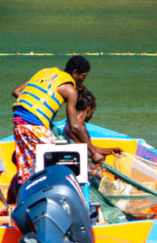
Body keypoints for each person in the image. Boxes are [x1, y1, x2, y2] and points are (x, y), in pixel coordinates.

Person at [11, 55, 104, 184]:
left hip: (18, 122)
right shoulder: (70, 91)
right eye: (84, 75)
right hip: (34, 124)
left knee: (27, 166)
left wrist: (35, 104)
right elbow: (74, 126)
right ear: (75, 73)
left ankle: (24, 194)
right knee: (56, 158)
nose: (84, 79)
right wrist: (94, 153)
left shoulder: (46, 73)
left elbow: (16, 92)